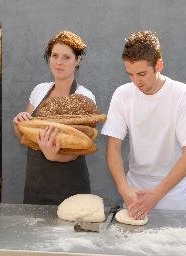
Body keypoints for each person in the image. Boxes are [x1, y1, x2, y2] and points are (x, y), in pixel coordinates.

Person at [101, 30, 186, 219]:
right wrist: (124, 189)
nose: (135, 81)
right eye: (130, 74)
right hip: (134, 197)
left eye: (142, 74)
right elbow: (113, 148)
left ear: (159, 65)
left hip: (176, 199)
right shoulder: (123, 94)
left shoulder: (181, 95)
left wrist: (156, 194)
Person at [13, 31, 96, 205]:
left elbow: (80, 147)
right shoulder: (39, 90)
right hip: (36, 185)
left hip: (70, 187)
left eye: (66, 57)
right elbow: (25, 136)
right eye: (55, 55)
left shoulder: (85, 97)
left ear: (78, 60)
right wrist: (19, 123)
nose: (59, 62)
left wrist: (54, 156)